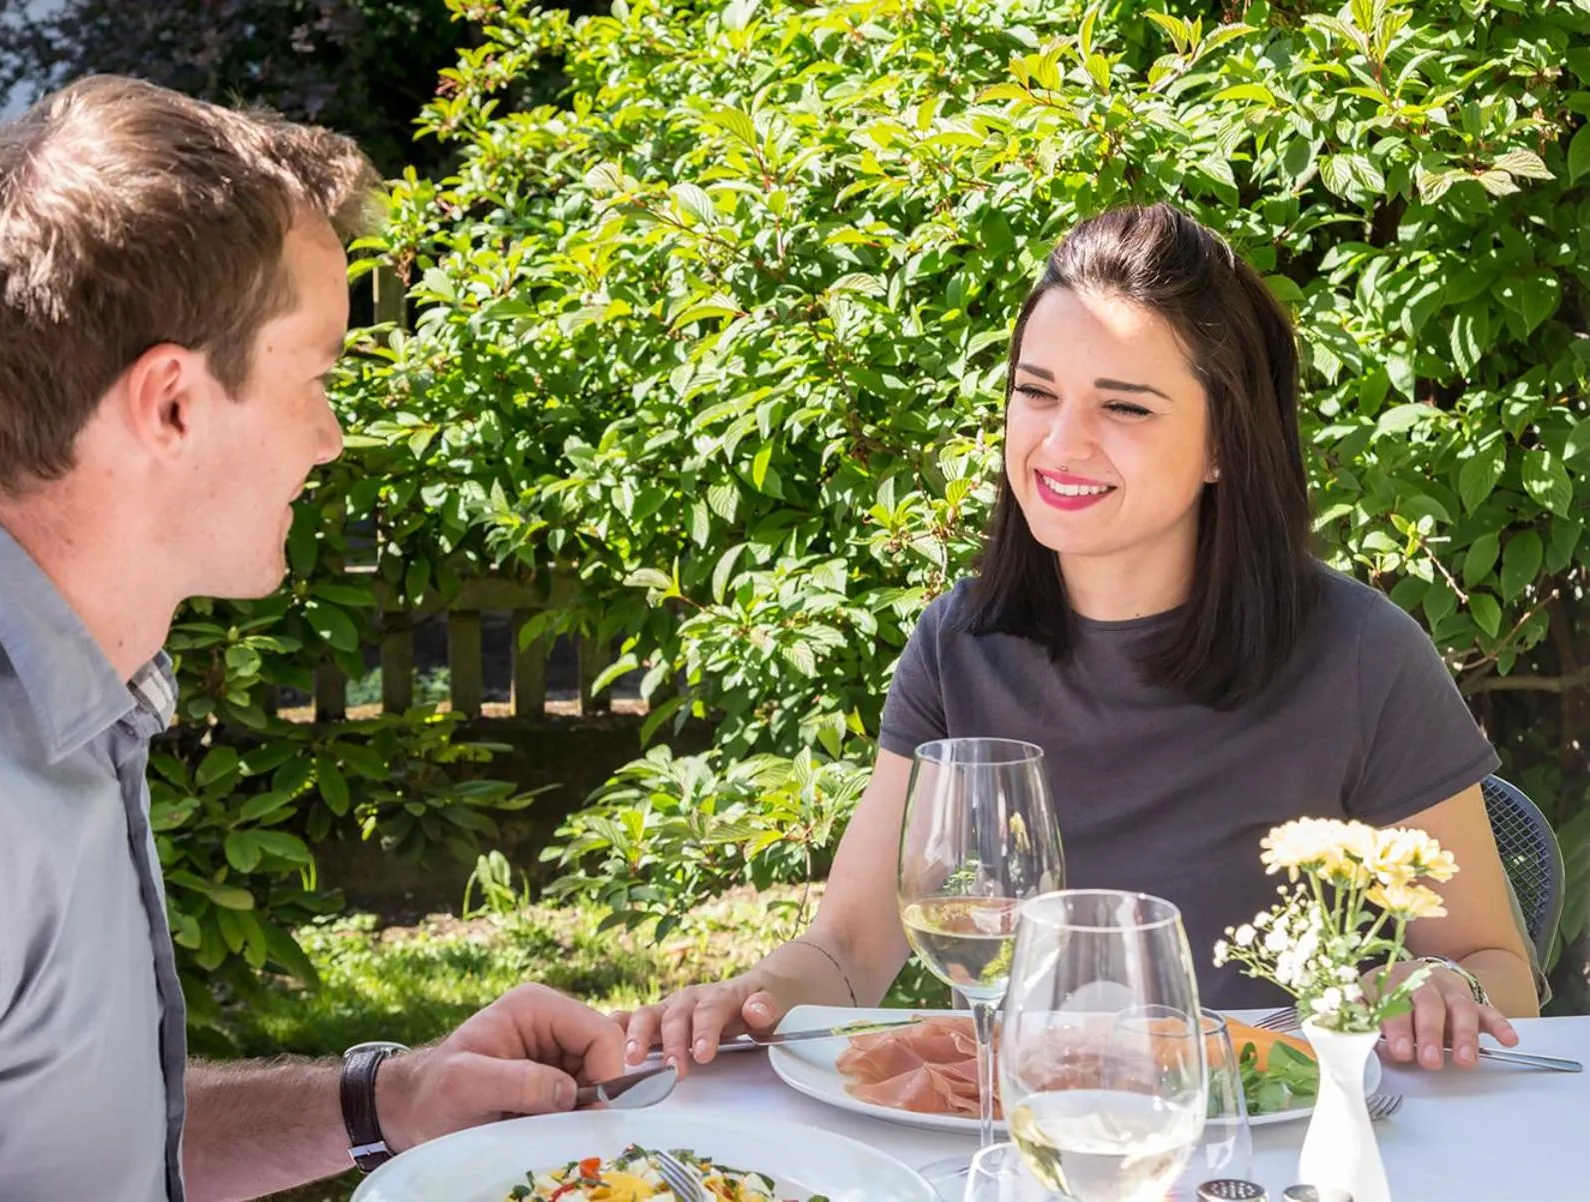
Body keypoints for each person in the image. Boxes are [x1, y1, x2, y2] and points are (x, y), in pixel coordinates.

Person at [0, 76, 624, 1202]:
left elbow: (62, 1148)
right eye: (318, 374)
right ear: (172, 403)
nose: (329, 438)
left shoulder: (58, 698)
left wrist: (389, 1099)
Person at [619, 202, 1540, 1080]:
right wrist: (754, 994)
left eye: (1125, 407)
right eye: (1035, 392)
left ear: (1226, 442)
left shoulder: (1360, 655)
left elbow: (1496, 967)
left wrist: (1435, 992)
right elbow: (853, 946)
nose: (1060, 443)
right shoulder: (959, 643)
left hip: (1271, 1147)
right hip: (1023, 1135)